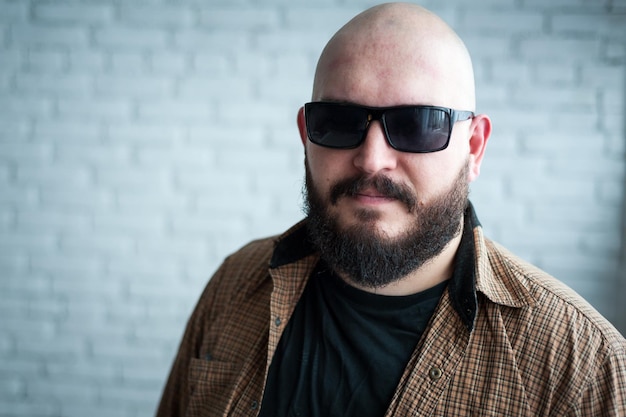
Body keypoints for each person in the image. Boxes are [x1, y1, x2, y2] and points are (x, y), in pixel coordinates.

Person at [156, 3, 626, 416]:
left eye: (418, 124)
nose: (371, 159)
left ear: (474, 147)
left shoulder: (583, 366)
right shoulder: (236, 282)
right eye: (339, 122)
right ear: (306, 134)